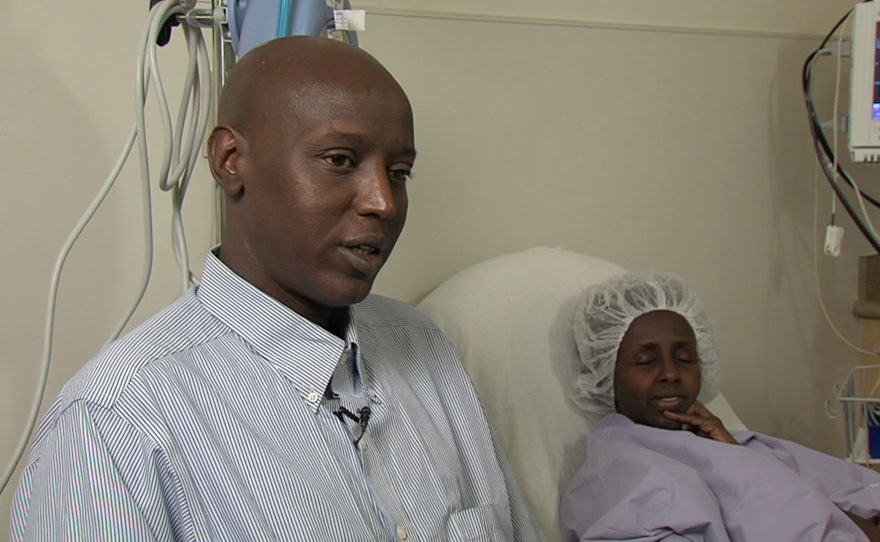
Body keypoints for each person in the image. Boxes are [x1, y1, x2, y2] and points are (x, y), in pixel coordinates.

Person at [10, 36, 544, 541]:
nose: (383, 201)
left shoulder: (423, 348)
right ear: (230, 161)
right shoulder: (115, 425)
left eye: (399, 172)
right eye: (339, 160)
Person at [559, 271, 880, 542]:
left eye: (685, 358)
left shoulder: (737, 443)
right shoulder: (622, 474)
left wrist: (739, 456)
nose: (671, 373)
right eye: (646, 360)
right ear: (604, 373)